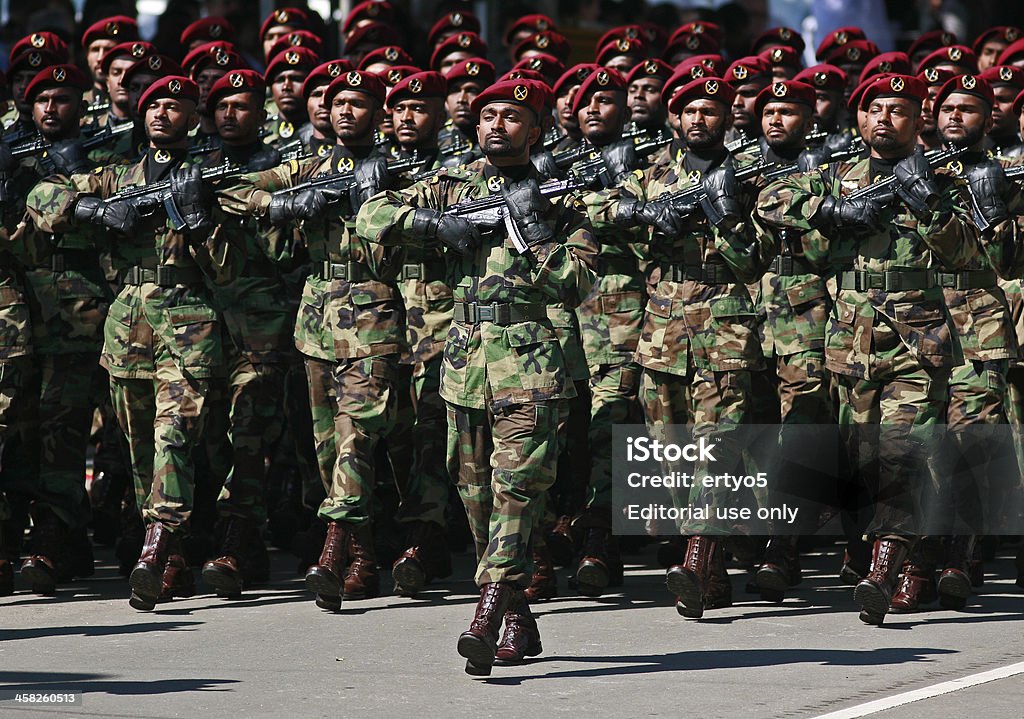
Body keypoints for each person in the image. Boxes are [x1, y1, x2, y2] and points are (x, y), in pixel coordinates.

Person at [357, 78, 597, 675]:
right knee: (475, 498)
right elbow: (370, 214)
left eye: (512, 117)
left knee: (516, 493)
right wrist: (433, 225)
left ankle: (486, 613)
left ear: (536, 131)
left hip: (531, 362)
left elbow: (578, 282)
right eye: (488, 114)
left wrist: (535, 230)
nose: (495, 125)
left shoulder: (562, 198)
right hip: (464, 364)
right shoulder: (451, 185)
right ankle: (519, 615)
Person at [757, 73, 979, 626]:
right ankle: (910, 556)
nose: (884, 118)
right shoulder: (836, 176)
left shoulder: (944, 176)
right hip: (852, 339)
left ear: (918, 119)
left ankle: (885, 569)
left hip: (919, 336)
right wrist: (827, 213)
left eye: (898, 109)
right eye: (873, 108)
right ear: (858, 119)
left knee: (901, 452)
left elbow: (972, 255)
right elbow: (769, 199)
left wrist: (930, 204)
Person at [28, 75, 235, 611]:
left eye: (176, 107)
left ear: (195, 118)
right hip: (128, 326)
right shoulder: (118, 176)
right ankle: (171, 554)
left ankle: (155, 549)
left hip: (189, 323)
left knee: (174, 438)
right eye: (155, 106)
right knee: (140, 446)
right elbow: (42, 195)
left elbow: (231, 269)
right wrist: (92, 210)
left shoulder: (210, 177)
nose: (162, 114)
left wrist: (198, 221)